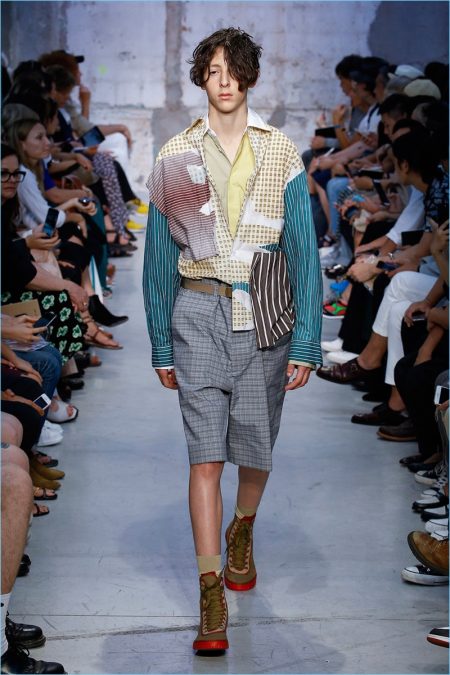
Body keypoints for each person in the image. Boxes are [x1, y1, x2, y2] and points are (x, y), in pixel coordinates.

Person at [143, 27, 322, 653]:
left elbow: (302, 251)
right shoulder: (175, 154)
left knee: (256, 446)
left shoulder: (281, 152)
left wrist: (308, 340)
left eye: (234, 70)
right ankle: (210, 590)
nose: (224, 81)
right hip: (197, 310)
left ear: (250, 77)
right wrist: (160, 343)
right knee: (205, 456)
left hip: (265, 310)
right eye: (214, 70)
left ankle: (242, 527)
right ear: (202, 78)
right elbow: (158, 259)